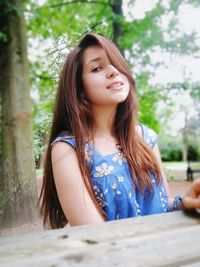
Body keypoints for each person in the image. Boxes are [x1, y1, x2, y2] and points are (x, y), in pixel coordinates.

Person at [39, 33, 200, 229]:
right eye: (97, 68)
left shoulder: (145, 137)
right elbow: (94, 236)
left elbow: (163, 206)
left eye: (116, 63)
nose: (114, 71)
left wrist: (185, 202)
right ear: (79, 89)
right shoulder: (68, 150)